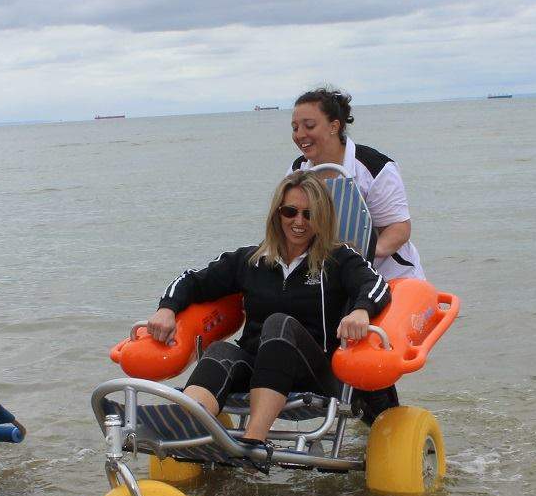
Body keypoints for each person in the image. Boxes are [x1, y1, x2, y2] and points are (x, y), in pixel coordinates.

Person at [146, 171, 391, 450]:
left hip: (314, 374)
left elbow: (377, 285)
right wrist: (167, 309)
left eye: (309, 215)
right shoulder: (251, 260)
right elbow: (192, 280)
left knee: (279, 324)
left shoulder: (339, 259)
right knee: (221, 351)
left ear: (322, 217)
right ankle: (186, 427)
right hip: (257, 368)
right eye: (290, 211)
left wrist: (361, 310)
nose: (298, 222)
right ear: (278, 213)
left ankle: (253, 442)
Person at [288, 85, 425, 280]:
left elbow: (399, 229)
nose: (300, 134)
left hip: (392, 277)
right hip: (332, 278)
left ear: (334, 126)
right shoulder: (297, 170)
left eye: (309, 126)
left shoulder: (375, 167)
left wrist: (358, 258)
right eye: (295, 128)